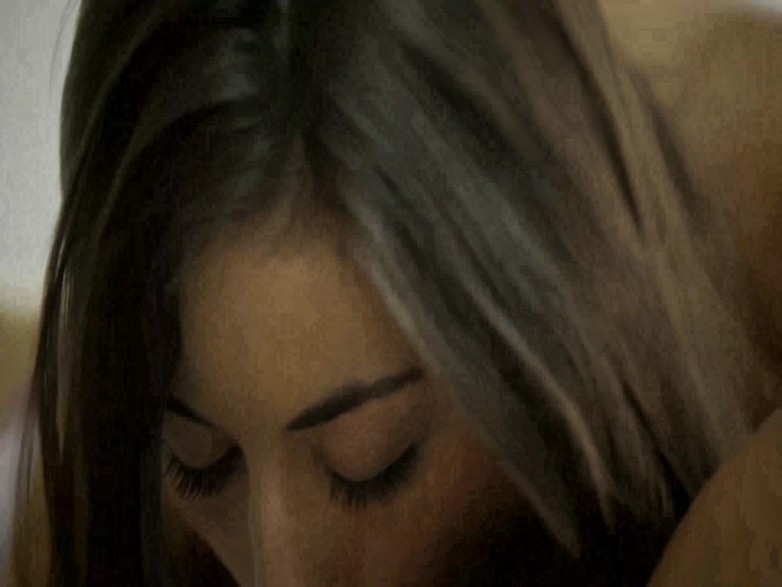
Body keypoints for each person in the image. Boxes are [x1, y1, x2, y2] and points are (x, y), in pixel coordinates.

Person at [6, 0, 782, 585]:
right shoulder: (120, 489)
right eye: (202, 462)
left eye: (372, 463)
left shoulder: (750, 206)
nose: (280, 572)